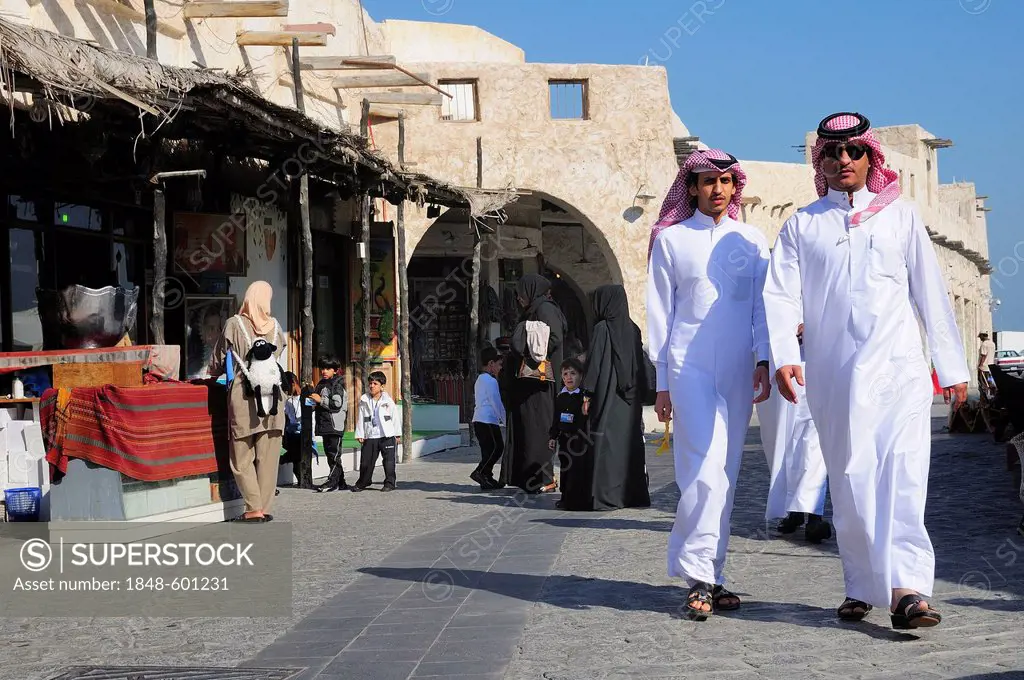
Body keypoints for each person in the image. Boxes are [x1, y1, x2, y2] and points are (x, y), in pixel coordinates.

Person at [763, 112, 969, 630]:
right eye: (833, 152)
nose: (844, 161)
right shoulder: (802, 225)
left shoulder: (901, 217)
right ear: (821, 161)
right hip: (835, 377)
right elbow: (781, 297)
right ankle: (860, 584)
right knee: (852, 479)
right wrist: (786, 355)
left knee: (903, 477)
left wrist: (951, 365)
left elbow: (930, 294)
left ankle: (909, 591)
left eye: (854, 151)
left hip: (900, 373)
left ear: (871, 157)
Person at [646, 149, 772, 620]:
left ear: (733, 186)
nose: (716, 189)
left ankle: (711, 574)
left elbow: (763, 307)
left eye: (724, 181)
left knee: (726, 470)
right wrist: (661, 382)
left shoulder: (753, 239)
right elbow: (660, 314)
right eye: (706, 181)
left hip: (739, 367)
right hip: (687, 365)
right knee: (700, 468)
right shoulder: (672, 240)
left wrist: (763, 358)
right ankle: (698, 576)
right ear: (692, 187)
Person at [208, 280, 287, 523]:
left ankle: (253, 508)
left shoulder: (234, 324)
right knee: (268, 459)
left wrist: (214, 372)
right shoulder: (276, 327)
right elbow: (276, 355)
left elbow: (218, 360)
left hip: (244, 397)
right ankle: (262, 507)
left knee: (241, 457)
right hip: (273, 399)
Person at [572, 286, 652, 511]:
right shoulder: (633, 329)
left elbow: (595, 364)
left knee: (606, 446)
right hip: (629, 400)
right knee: (630, 444)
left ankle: (607, 496)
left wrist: (586, 393)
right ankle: (633, 495)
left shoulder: (602, 329)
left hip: (608, 399)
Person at [755, 323, 831, 543]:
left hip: (813, 358)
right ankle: (794, 509)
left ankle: (814, 514)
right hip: (774, 358)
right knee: (778, 439)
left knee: (813, 438)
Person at [499, 274, 567, 494]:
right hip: (529, 384)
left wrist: (529, 351)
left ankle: (545, 477)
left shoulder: (545, 309)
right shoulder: (534, 310)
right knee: (529, 428)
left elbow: (554, 338)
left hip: (540, 384)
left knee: (539, 429)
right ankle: (530, 477)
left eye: (521, 292)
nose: (519, 297)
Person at [548, 358, 587, 509]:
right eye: (565, 374)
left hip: (579, 439)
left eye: (573, 373)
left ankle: (577, 497)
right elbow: (556, 418)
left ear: (581, 376)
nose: (569, 377)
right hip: (564, 439)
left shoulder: (583, 396)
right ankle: (565, 496)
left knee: (577, 468)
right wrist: (553, 436)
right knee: (565, 467)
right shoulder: (560, 397)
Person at [353, 370, 399, 492]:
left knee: (389, 462)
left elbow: (395, 417)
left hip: (386, 435)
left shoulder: (388, 401)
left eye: (375, 383)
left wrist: (397, 434)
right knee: (366, 462)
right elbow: (361, 418)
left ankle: (390, 483)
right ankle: (364, 482)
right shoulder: (364, 400)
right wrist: (360, 433)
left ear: (382, 386)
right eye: (370, 383)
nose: (372, 386)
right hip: (370, 435)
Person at [311, 355, 350, 493]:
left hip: (335, 425)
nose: (324, 371)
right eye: (322, 368)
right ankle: (341, 482)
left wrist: (320, 400)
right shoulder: (321, 383)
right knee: (331, 455)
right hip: (324, 425)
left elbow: (336, 405)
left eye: (328, 368)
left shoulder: (336, 384)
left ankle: (332, 482)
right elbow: (315, 401)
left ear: (335, 370)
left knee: (334, 455)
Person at [471, 346, 506, 490]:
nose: (500, 368)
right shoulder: (491, 381)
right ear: (491, 364)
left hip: (479, 420)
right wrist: (505, 420)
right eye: (499, 365)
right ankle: (479, 472)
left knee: (487, 450)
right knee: (497, 448)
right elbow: (496, 402)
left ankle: (487, 477)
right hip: (487, 421)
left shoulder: (480, 379)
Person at [281, 371, 303, 486]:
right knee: (296, 460)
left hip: (303, 433)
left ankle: (283, 459)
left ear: (294, 383)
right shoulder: (288, 401)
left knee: (297, 459)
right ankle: (285, 459)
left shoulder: (304, 397)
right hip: (292, 433)